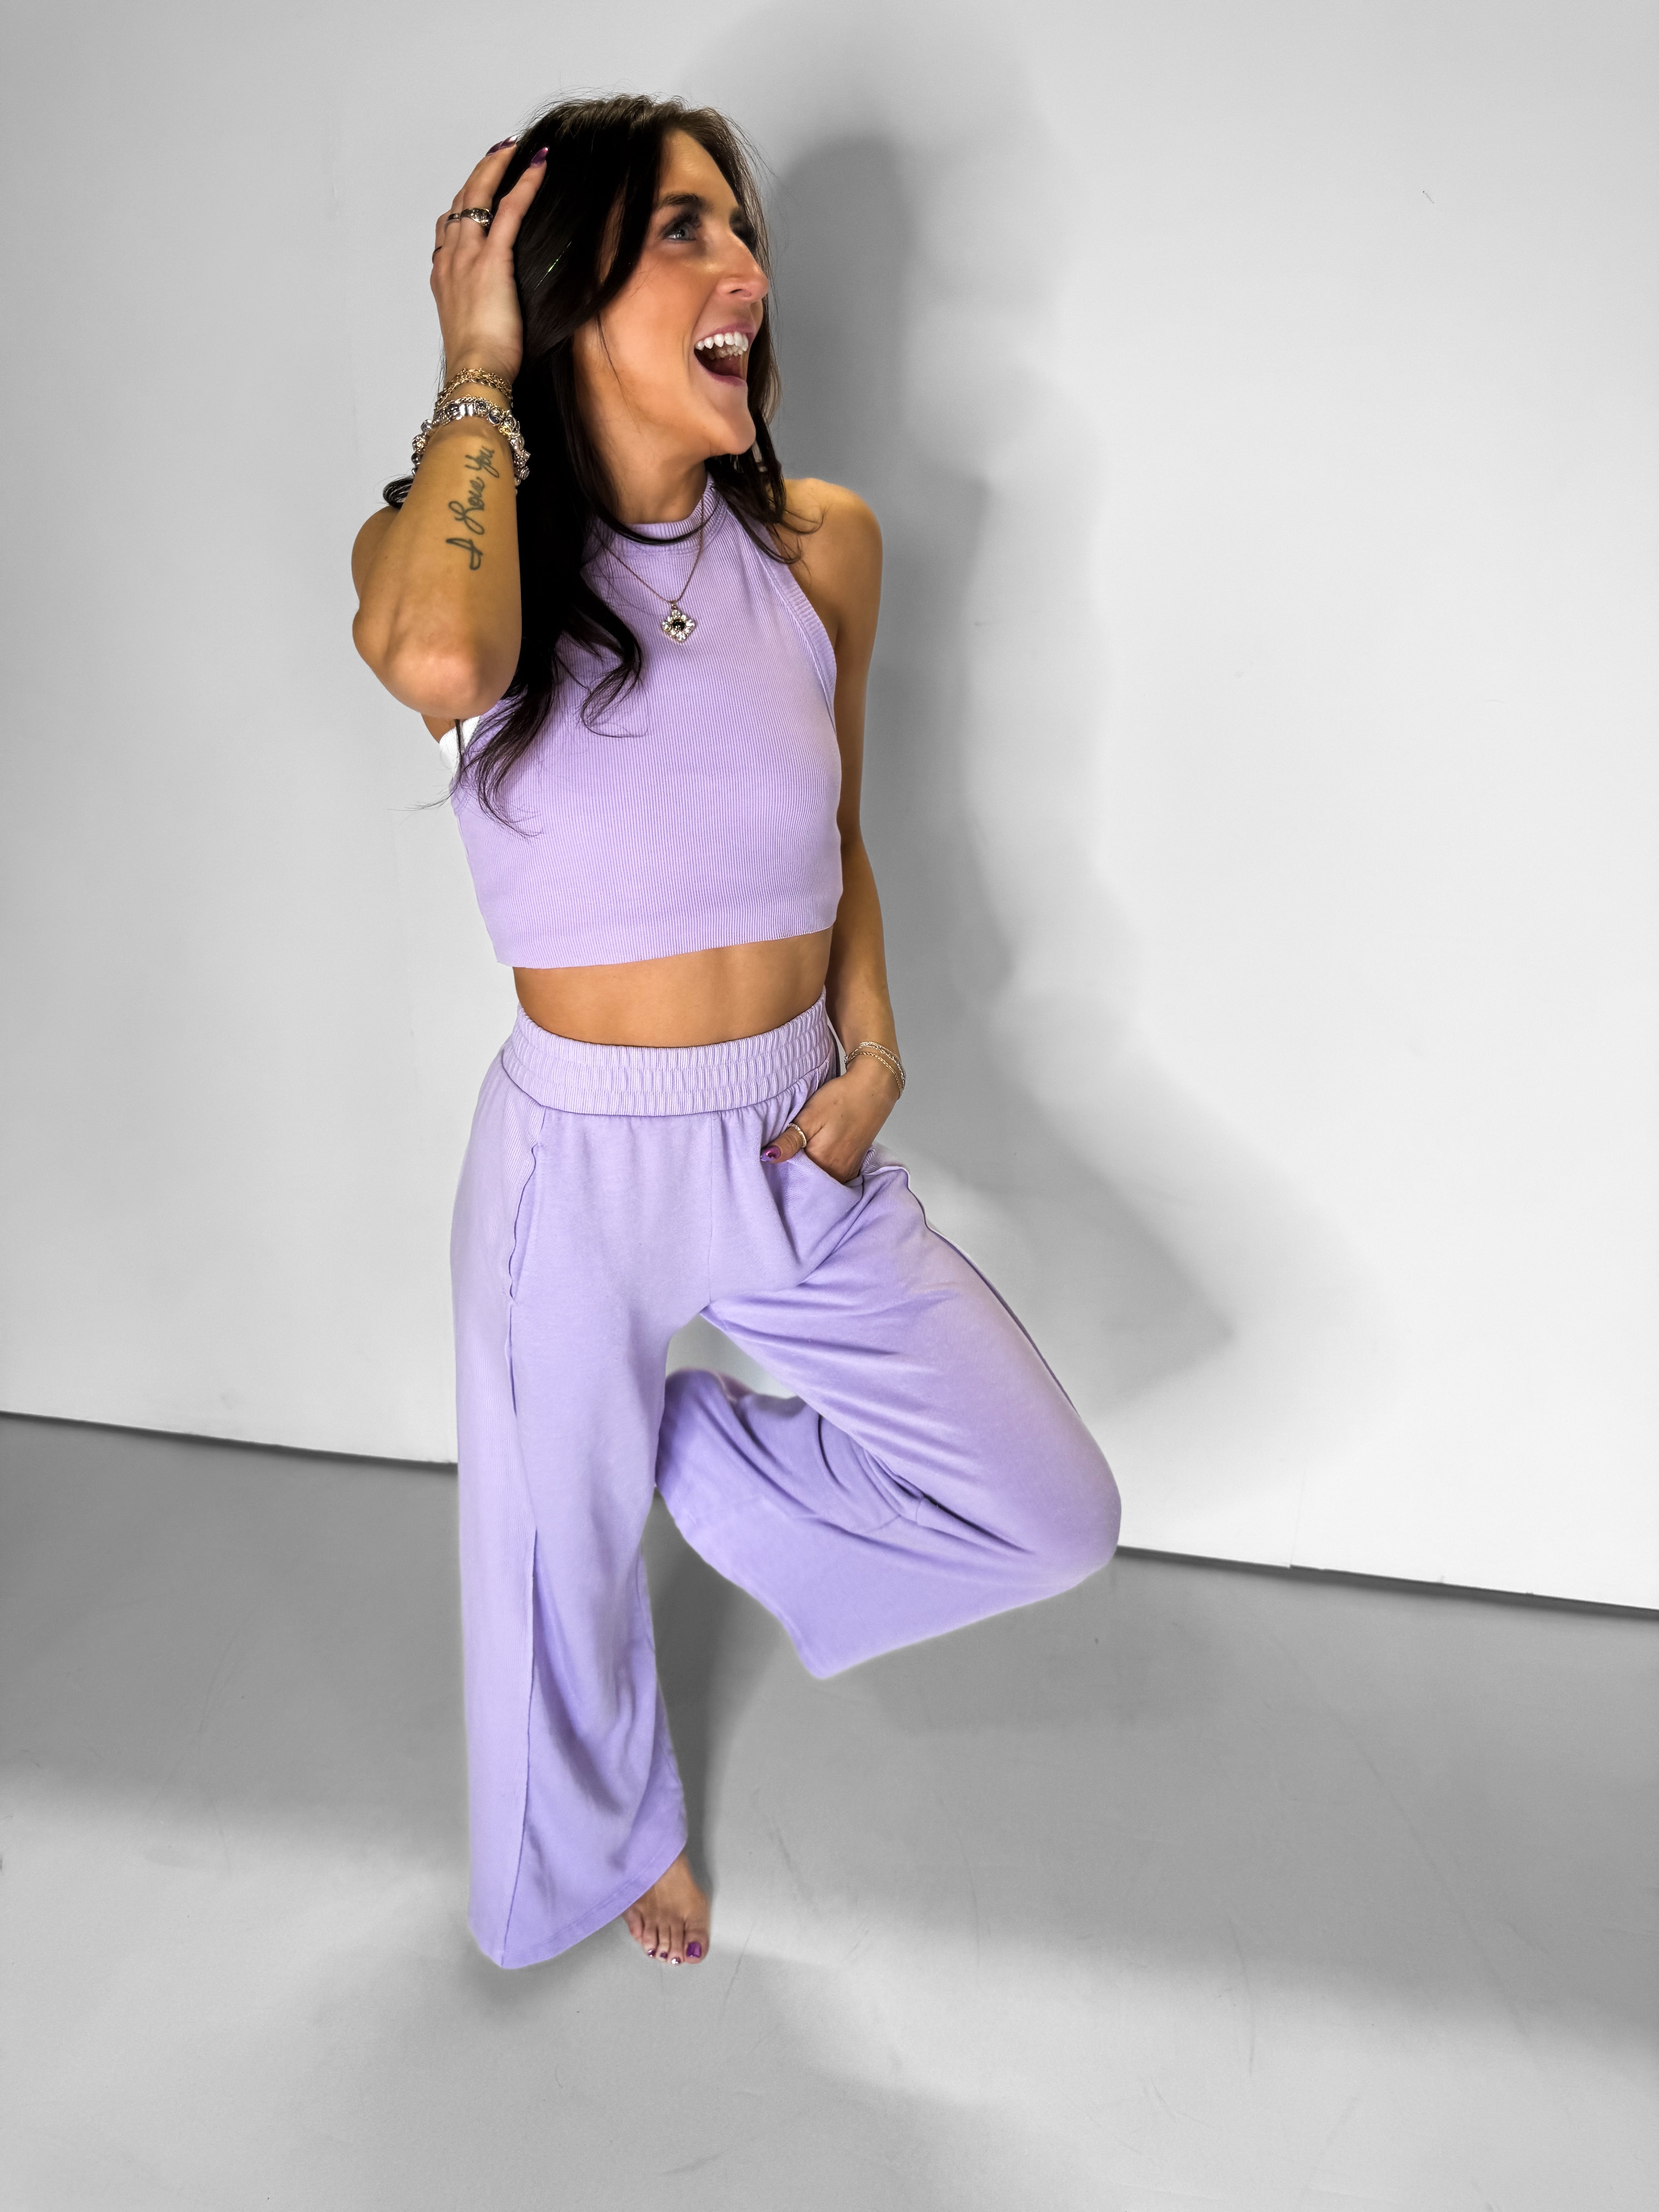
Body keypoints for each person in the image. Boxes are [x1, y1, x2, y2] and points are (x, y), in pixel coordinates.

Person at [350, 95, 1120, 1975]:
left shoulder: (822, 546)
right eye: (684, 232)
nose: (748, 273)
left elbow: (836, 826)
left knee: (1049, 1510)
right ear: (563, 293)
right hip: (576, 1160)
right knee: (548, 1588)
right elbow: (436, 664)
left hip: (793, 1140)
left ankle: (680, 1458)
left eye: (742, 229)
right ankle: (610, 1840)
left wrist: (874, 1047)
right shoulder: (458, 563)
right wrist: (475, 364)